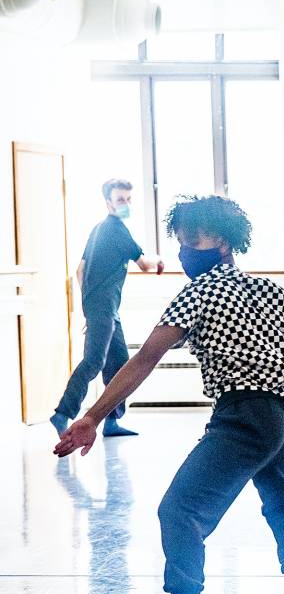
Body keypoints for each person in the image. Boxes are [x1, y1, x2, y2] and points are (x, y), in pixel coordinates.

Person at [54, 195, 284, 594]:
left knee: (180, 511)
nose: (184, 250)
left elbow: (145, 358)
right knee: (283, 500)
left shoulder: (197, 293)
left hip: (244, 415)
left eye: (193, 239)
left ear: (222, 241)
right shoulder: (276, 292)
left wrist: (92, 416)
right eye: (180, 240)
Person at [51, 179, 164, 438]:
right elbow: (145, 265)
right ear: (108, 203)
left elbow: (80, 270)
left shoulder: (99, 229)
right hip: (104, 309)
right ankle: (62, 413)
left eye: (128, 199)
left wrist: (90, 307)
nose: (125, 204)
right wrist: (160, 260)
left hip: (104, 309)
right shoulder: (116, 229)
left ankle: (112, 422)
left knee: (119, 362)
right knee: (94, 361)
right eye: (120, 199)